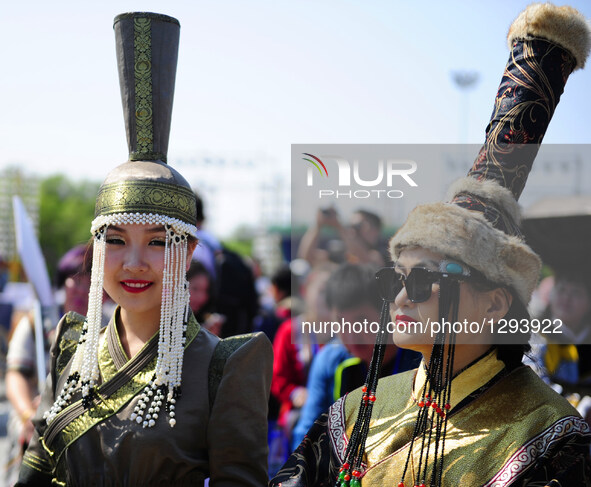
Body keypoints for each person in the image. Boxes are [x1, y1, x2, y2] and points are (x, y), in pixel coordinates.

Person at [271, 4, 591, 486]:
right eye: (397, 279)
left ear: (496, 301)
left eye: (424, 280)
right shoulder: (353, 413)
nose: (400, 298)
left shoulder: (553, 439)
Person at [17, 12, 272, 486]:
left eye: (158, 243)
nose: (133, 263)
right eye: (115, 241)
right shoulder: (74, 345)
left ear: (190, 251)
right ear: (96, 247)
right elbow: (38, 466)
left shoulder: (225, 367)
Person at [291, 263, 421, 451]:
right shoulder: (329, 359)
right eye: (341, 322)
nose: (352, 335)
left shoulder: (419, 358)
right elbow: (306, 434)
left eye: (362, 320)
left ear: (389, 313)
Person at [4, 243, 92, 486]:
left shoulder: (110, 329)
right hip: (31, 421)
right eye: (76, 281)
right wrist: (28, 415)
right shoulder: (37, 320)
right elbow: (16, 375)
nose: (83, 290)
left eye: (92, 283)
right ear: (63, 283)